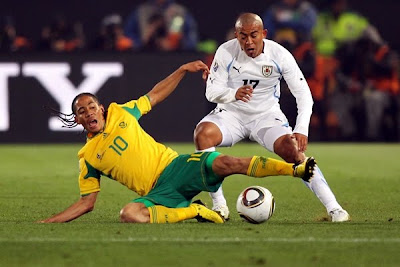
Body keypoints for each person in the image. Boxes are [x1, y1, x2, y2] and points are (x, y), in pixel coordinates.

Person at [39, 60, 316, 224]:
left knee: (227, 162)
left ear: (101, 109)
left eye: (91, 107)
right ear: (77, 120)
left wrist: (182, 69)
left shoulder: (121, 112)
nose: (88, 113)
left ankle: (295, 170)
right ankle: (194, 209)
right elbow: (87, 202)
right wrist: (49, 222)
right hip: (158, 194)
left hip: (175, 167)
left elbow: (156, 95)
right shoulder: (87, 157)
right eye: (81, 111)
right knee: (129, 214)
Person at [193, 13, 350, 222]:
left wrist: (301, 128)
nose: (248, 41)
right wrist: (233, 94)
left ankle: (335, 208)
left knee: (294, 153)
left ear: (263, 34)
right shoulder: (225, 51)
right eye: (242, 36)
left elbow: (303, 93)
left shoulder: (279, 54)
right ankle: (219, 206)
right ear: (236, 35)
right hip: (231, 114)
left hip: (265, 116)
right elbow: (211, 92)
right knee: (202, 134)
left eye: (253, 35)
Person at [123, 0, 198, 51]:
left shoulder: (179, 12)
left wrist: (178, 44)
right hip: (145, 57)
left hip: (174, 58)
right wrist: (141, 42)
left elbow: (192, 40)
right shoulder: (141, 12)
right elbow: (127, 38)